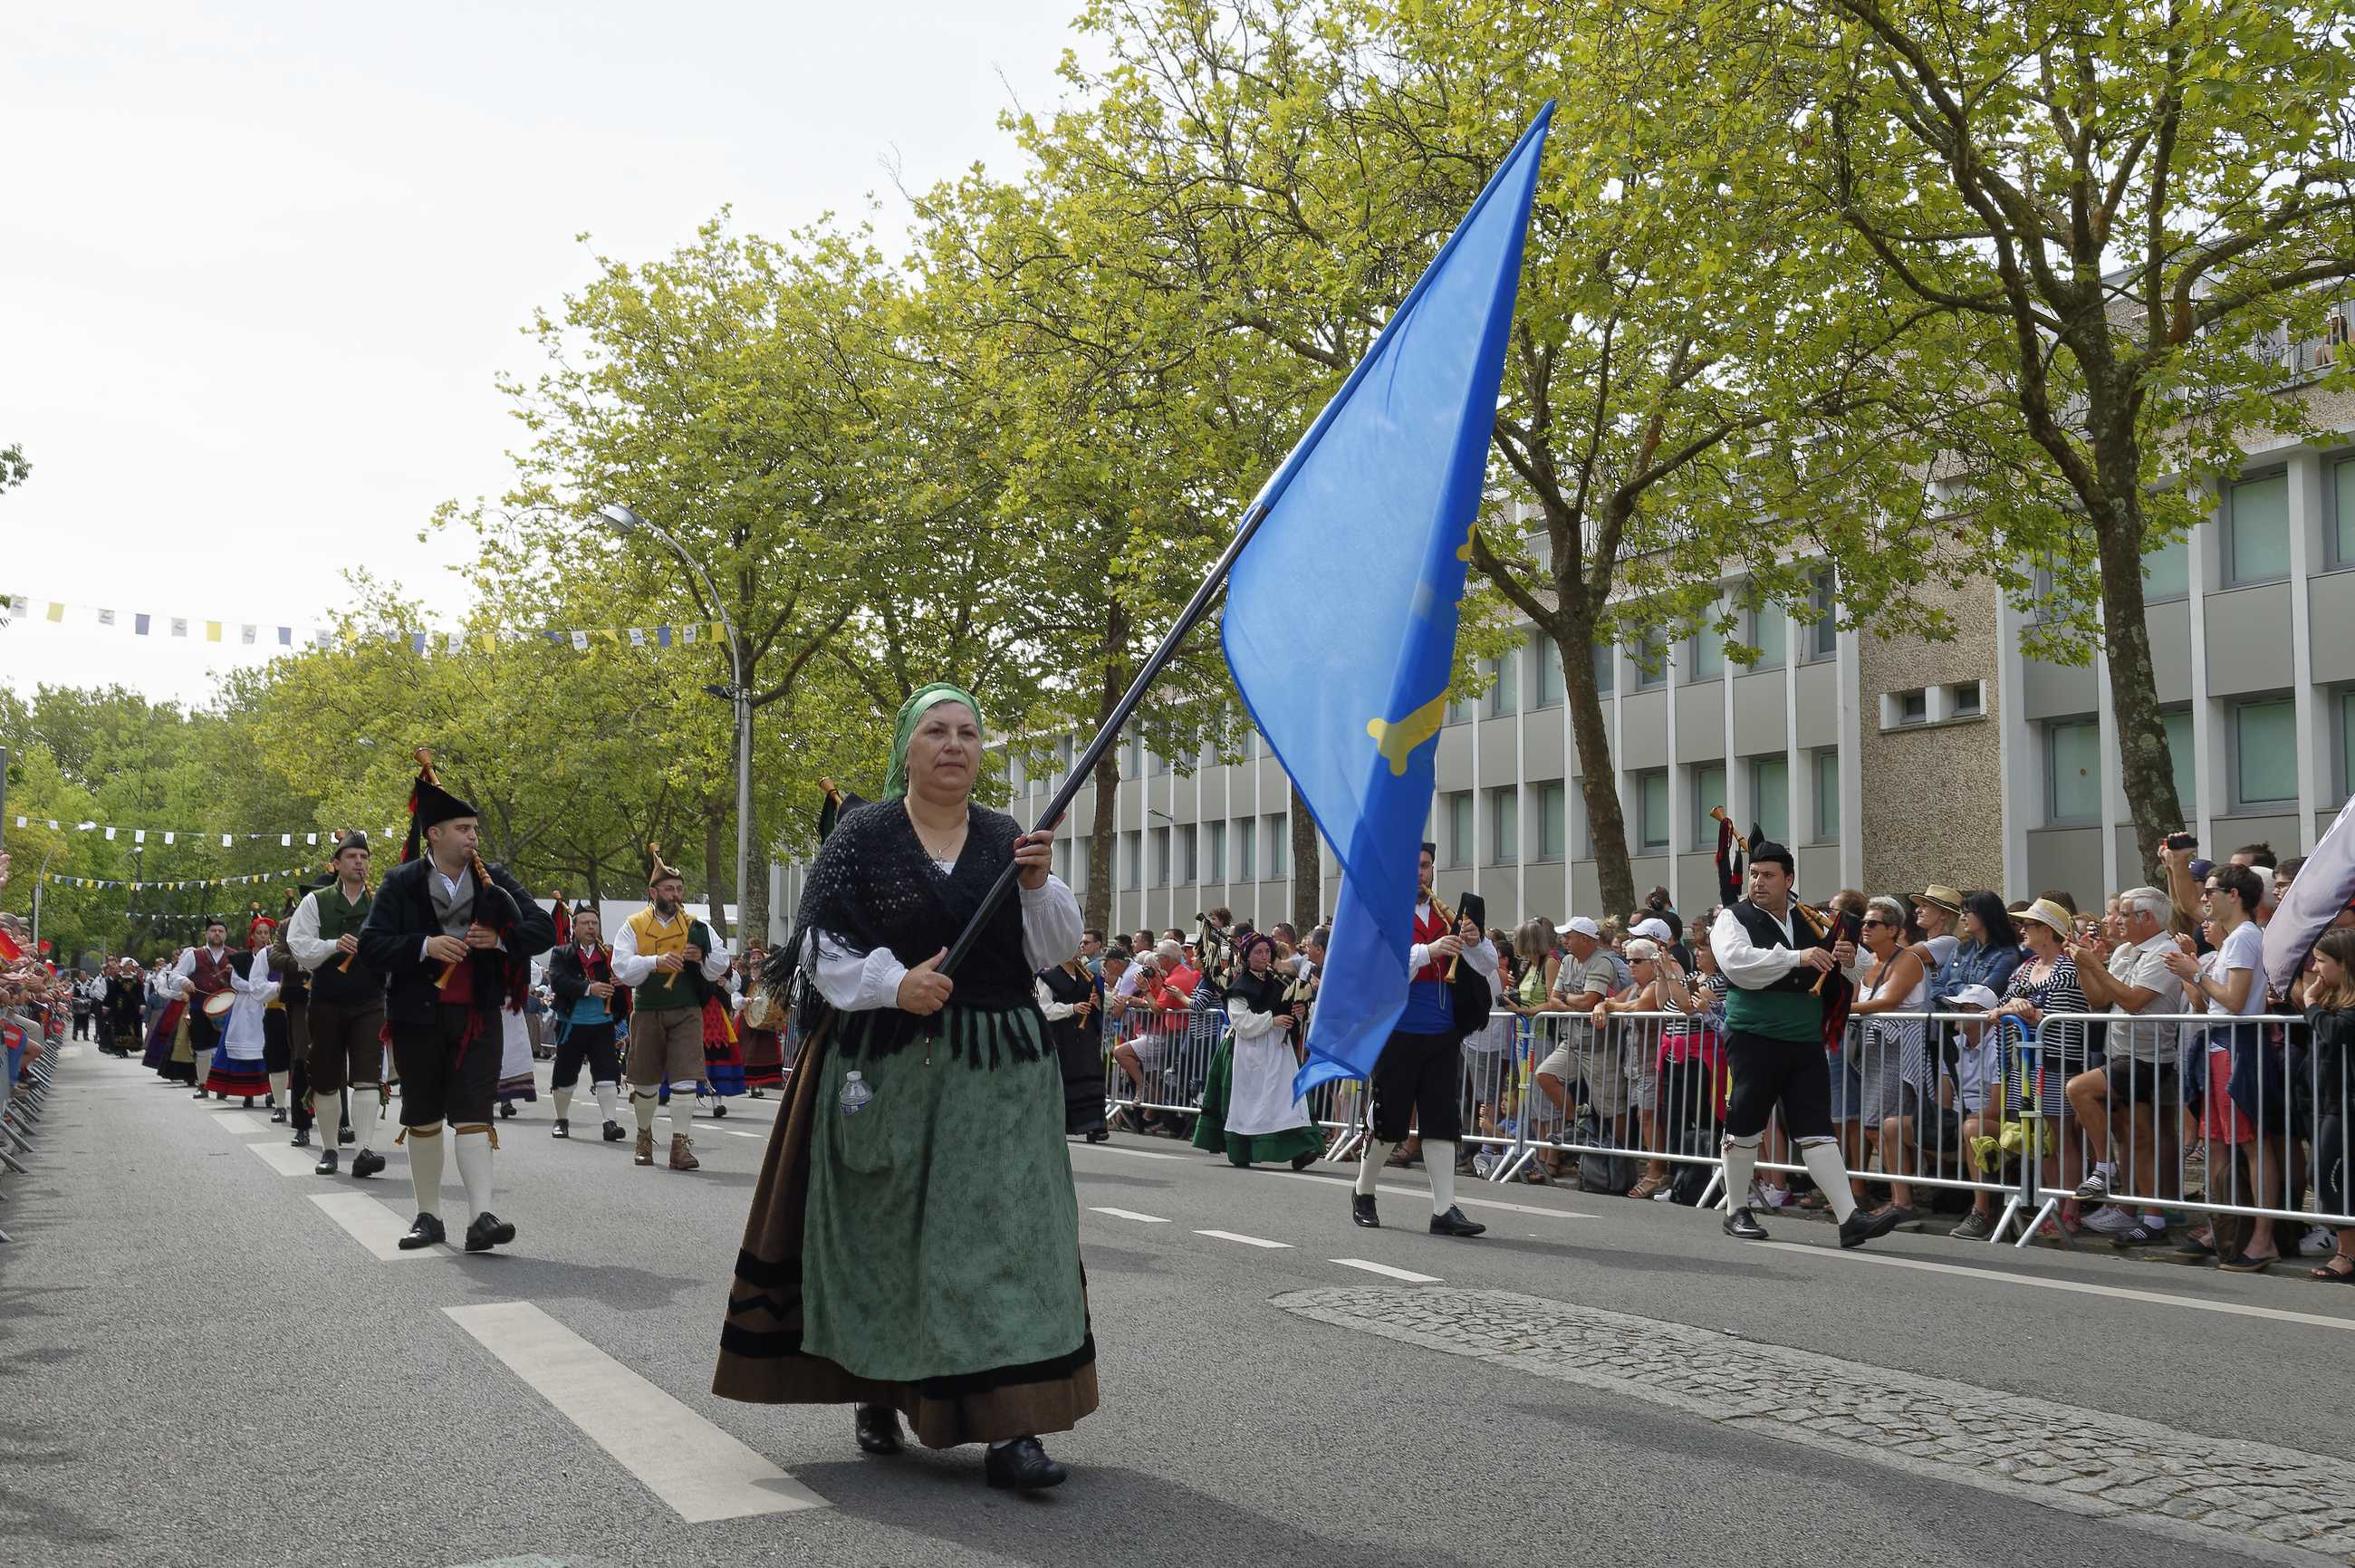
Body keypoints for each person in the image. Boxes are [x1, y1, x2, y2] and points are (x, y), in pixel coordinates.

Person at [711, 682, 1091, 1491]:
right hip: (885, 1063)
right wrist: (893, 985)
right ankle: (877, 1386)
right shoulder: (863, 836)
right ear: (907, 748)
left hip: (1000, 1074)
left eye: (968, 732)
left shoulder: (1011, 840)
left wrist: (1035, 884)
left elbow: (1054, 947)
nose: (955, 744)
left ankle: (1010, 1427)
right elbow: (816, 947)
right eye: (937, 731)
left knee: (1004, 1241)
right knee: (884, 1241)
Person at [355, 761, 556, 1253]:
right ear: (436, 833)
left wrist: (501, 939)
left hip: (476, 1016)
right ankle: (428, 1217)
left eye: (476, 830)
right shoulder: (401, 881)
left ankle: (481, 1217)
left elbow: (544, 931)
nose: (473, 838)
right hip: (415, 1016)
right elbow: (372, 945)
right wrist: (426, 947)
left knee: (473, 1113)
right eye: (465, 829)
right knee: (422, 1116)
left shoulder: (494, 878)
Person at [1712, 842, 1902, 1248]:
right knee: (1746, 1121)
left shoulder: (1811, 919)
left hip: (1804, 1040)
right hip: (1754, 1036)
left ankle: (1849, 1217)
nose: (1758, 882)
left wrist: (1848, 957)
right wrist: (1797, 958)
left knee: (1816, 1128)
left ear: (1789, 880)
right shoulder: (1734, 917)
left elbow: (1864, 971)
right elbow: (1737, 964)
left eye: (1768, 875)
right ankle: (1736, 1210)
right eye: (1755, 874)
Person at [1349, 842, 1496, 1237]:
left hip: (1443, 1032)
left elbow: (1488, 967)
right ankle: (1364, 1192)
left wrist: (1474, 940)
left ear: (1433, 869)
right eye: (1412, 866)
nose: (1420, 873)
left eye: (1426, 866)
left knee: (1442, 1120)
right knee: (1389, 1120)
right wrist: (1428, 951)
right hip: (1398, 1030)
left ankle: (1444, 1209)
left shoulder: (1453, 915)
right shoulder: (1384, 913)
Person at [2164, 864, 2283, 1271]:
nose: (2203, 898)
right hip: (2218, 1046)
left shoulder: (2246, 937)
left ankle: (2263, 1237)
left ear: (2234, 895)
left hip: (2238, 1049)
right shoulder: (2233, 939)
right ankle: (2224, 1228)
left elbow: (2233, 1001)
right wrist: (2191, 967)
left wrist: (2194, 970)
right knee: (2217, 1144)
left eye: (2210, 891)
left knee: (2251, 1146)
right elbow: (2204, 1003)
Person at [2066, 886, 2186, 1242]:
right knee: (2138, 1136)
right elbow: (2099, 999)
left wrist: (2093, 966)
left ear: (2146, 918)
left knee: (2078, 1088)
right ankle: (2152, 1219)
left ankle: (2104, 1168)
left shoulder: (2165, 951)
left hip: (2147, 1057)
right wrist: (2085, 965)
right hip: (2120, 1052)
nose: (2116, 920)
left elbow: (2134, 1001)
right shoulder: (2124, 951)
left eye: (2124, 914)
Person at [610, 851, 732, 1172]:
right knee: (646, 1081)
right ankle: (644, 1137)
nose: (676, 895)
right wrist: (655, 961)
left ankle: (680, 1144)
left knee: (686, 1078)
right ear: (653, 893)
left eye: (679, 889)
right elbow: (622, 968)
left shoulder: (696, 925)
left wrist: (701, 956)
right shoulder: (633, 925)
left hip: (687, 1011)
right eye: (669, 889)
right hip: (648, 1010)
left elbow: (720, 965)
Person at [286, 832, 389, 1178]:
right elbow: (299, 947)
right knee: (326, 1078)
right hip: (327, 999)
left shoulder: (381, 905)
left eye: (364, 856)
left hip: (369, 1000)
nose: (359, 862)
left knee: (367, 1076)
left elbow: (396, 948)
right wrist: (333, 945)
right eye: (351, 856)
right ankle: (329, 1149)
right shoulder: (317, 902)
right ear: (337, 864)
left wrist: (374, 950)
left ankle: (363, 1150)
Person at [1193, 932, 1323, 1169]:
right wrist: (1271, 1021)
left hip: (1279, 1049)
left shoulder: (1281, 982)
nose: (1264, 956)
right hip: (1247, 1051)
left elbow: (1295, 1012)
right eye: (1258, 952)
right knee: (1250, 1102)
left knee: (1288, 1098)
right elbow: (1240, 1022)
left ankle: (1301, 1149)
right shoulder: (1239, 986)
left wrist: (1299, 1012)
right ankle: (1242, 1148)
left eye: (1267, 952)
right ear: (1247, 955)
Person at [1850, 897, 1930, 1227]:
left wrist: (1840, 1011)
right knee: (1876, 1127)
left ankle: (1904, 1200)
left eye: (1872, 924)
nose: (1865, 929)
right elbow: (1856, 998)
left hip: (1900, 1051)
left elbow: (1890, 1000)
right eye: (1864, 924)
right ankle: (1901, 1197)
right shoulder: (1868, 963)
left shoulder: (1908, 959)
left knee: (1884, 1124)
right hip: (1872, 1051)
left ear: (1893, 929)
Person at [544, 903, 629, 1142]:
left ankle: (609, 1122)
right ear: (575, 926)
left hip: (602, 1025)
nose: (591, 928)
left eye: (595, 923)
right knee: (564, 1073)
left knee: (607, 1072)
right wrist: (588, 989)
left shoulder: (609, 955)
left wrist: (620, 983)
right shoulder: (562, 953)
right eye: (586, 923)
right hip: (571, 1023)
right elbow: (558, 982)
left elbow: (622, 992)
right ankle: (561, 1120)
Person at [2301, 928, 2355, 1283]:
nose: (2316, 968)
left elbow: (2336, 1033)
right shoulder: (2335, 998)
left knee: (2321, 1176)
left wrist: (2310, 1003)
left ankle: (2347, 1252)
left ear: (2343, 963)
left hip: (2347, 1104)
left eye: (2321, 961)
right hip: (2328, 1100)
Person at [202, 917, 279, 1106]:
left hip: (269, 1005)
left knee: (270, 1048)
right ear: (252, 936)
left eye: (266, 933)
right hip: (247, 1007)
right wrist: (257, 987)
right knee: (246, 1048)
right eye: (259, 933)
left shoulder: (275, 955)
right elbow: (236, 981)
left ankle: (271, 1091)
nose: (263, 937)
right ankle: (248, 1093)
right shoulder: (241, 958)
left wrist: (266, 989)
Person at [1037, 948, 1107, 1142]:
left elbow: (1102, 1006)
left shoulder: (1087, 977)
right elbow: (1043, 1009)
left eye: (1078, 949)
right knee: (1065, 1079)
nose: (1077, 953)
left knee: (1092, 1077)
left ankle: (1095, 1126)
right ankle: (1064, 1123)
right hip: (1061, 1037)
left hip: (1085, 1037)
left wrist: (1097, 1003)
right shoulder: (1047, 977)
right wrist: (1071, 1009)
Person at [167, 918, 237, 1095]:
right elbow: (174, 976)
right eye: (213, 930)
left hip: (228, 1009)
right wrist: (185, 981)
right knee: (202, 1047)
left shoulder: (235, 955)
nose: (217, 934)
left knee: (225, 1048)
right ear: (206, 934)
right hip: (200, 1007)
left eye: (220, 931)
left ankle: (222, 1087)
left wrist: (235, 972)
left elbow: (246, 981)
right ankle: (203, 1085)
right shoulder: (194, 955)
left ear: (226, 934)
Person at [737, 942, 786, 1096]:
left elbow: (774, 997)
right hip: (748, 1018)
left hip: (764, 1020)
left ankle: (759, 1085)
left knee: (761, 1054)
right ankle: (751, 1085)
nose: (756, 960)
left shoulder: (769, 979)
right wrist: (743, 1001)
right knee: (749, 1053)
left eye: (759, 957)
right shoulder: (744, 979)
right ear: (749, 961)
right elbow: (735, 996)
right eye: (754, 958)